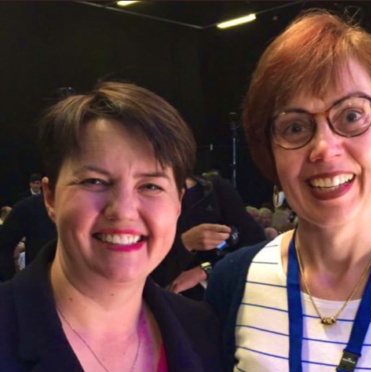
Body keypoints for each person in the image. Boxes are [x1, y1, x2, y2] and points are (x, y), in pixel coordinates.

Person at [206, 10, 371, 371]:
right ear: (272, 154)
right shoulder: (232, 282)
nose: (324, 148)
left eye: (351, 116)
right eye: (294, 127)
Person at [0, 82, 223, 371]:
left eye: (151, 186)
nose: (123, 211)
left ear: (177, 204)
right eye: (94, 181)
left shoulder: (203, 329)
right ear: (51, 197)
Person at [151, 174, 265, 300]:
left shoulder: (214, 190)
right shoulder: (145, 201)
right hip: (169, 304)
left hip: (221, 299)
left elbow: (256, 243)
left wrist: (205, 269)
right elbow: (147, 274)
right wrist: (185, 243)